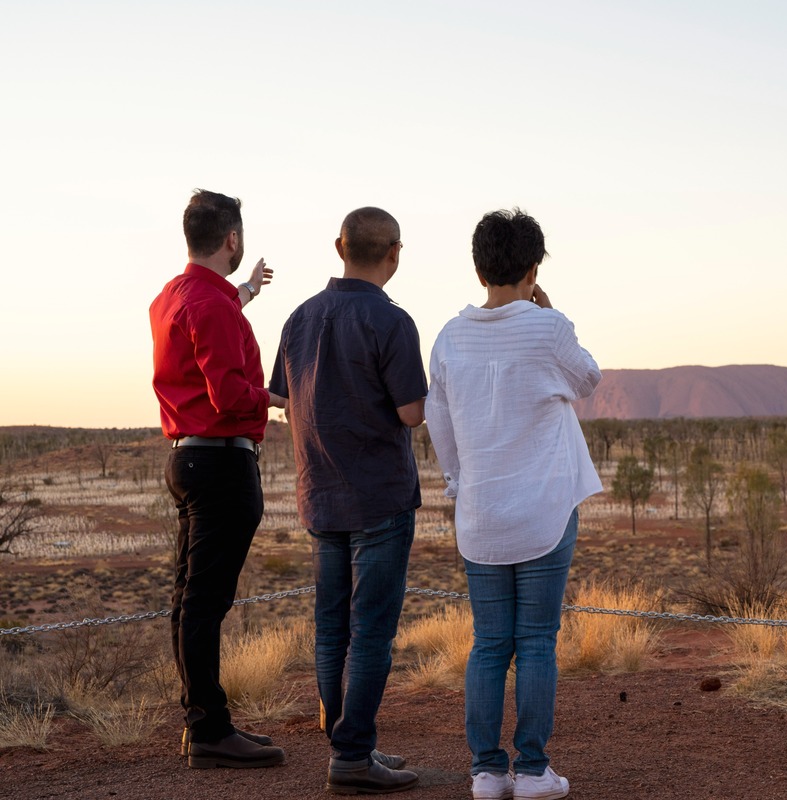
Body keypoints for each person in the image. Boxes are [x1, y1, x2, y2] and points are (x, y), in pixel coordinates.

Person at [425, 208, 602, 800]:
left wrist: (458, 483)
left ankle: (485, 771)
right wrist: (546, 315)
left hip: (481, 512)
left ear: (479, 269)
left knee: (488, 643)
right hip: (546, 511)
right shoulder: (549, 329)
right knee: (536, 642)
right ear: (533, 268)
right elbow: (588, 380)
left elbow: (439, 421)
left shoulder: (450, 336)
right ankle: (531, 771)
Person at [270, 207, 426, 795]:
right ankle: (353, 753)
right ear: (395, 253)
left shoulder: (300, 317)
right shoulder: (392, 322)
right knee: (372, 632)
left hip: (319, 494)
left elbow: (282, 399)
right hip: (378, 498)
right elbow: (412, 411)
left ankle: (347, 743)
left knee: (331, 626)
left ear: (340, 247)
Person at [150, 189, 287, 769]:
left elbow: (215, 316)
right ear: (231, 238)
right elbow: (229, 394)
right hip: (222, 463)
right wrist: (278, 399)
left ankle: (206, 719)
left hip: (188, 457)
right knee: (205, 602)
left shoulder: (173, 297)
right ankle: (208, 728)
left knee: (190, 598)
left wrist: (248, 291)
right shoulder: (210, 307)